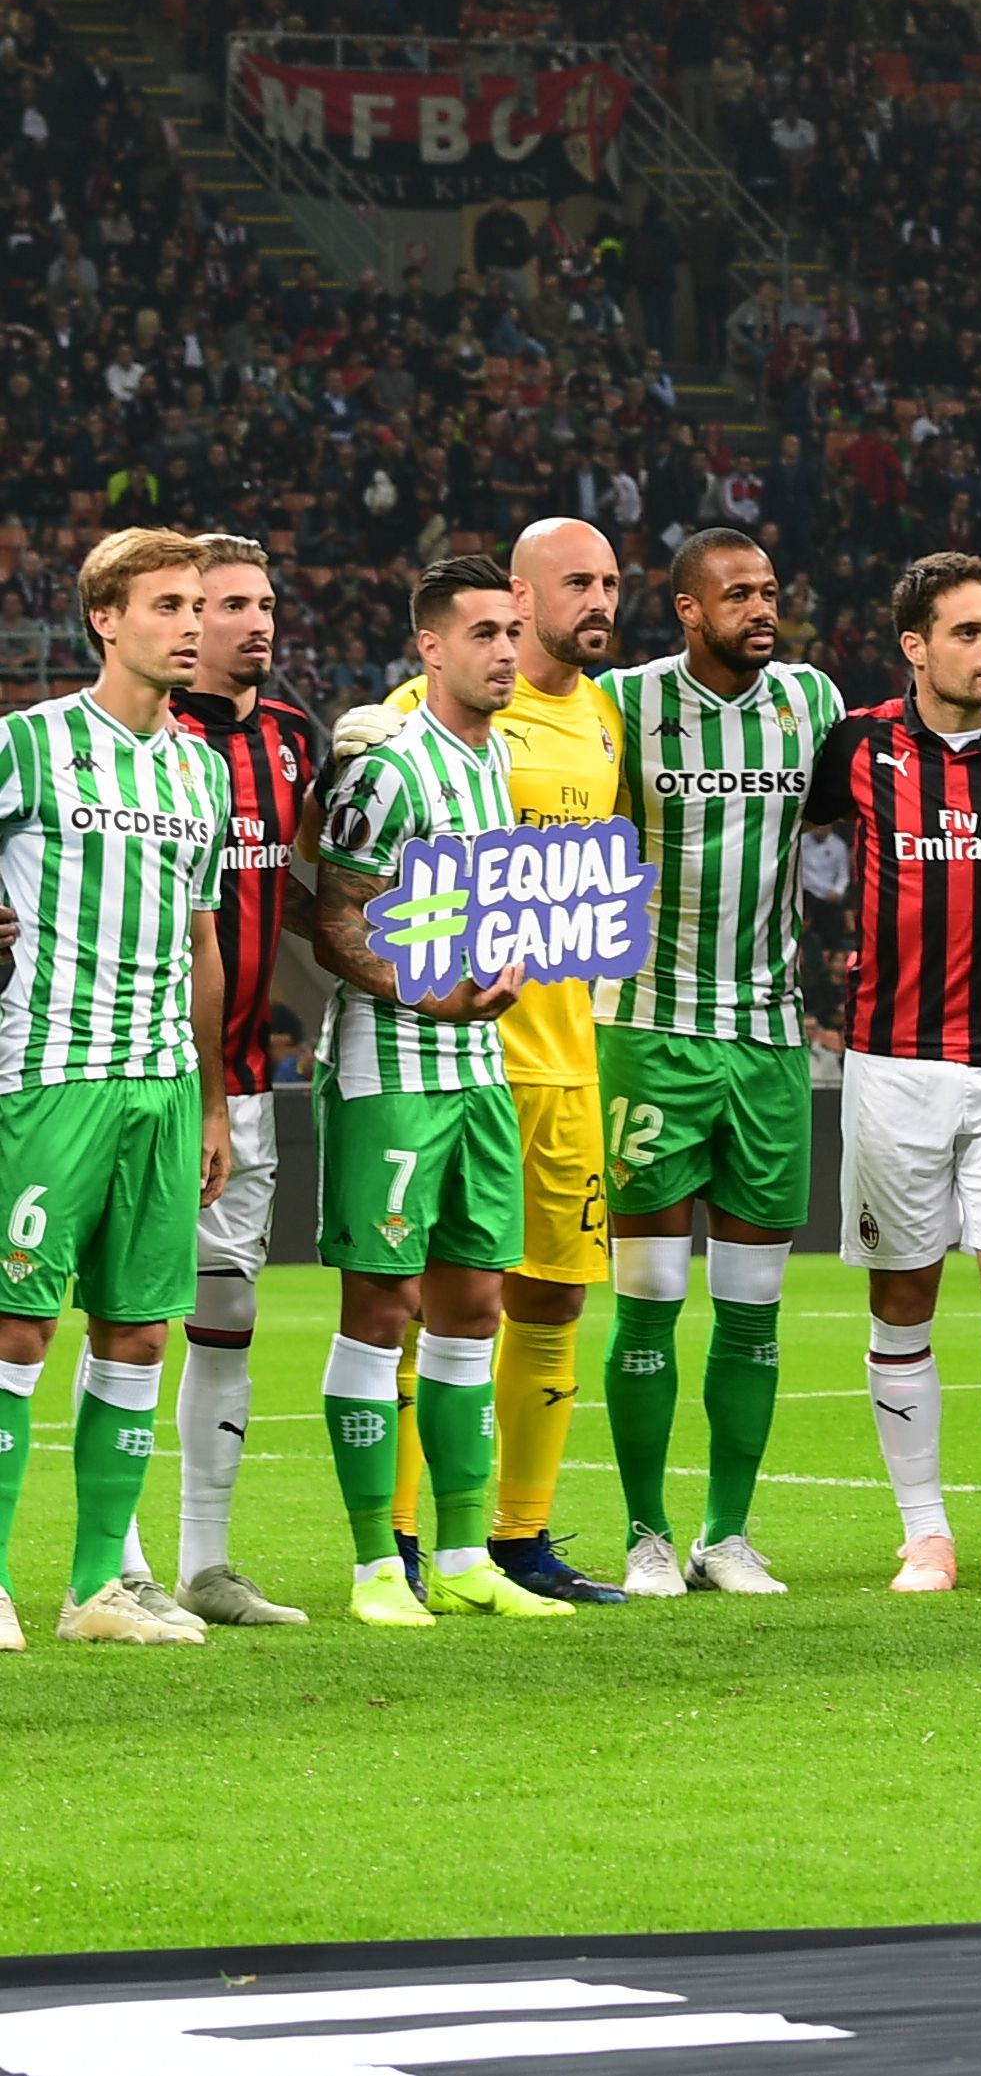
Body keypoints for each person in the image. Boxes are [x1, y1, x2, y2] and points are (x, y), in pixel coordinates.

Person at [803, 553, 981, 1595]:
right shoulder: (859, 749)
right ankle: (924, 1534)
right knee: (904, 1300)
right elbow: (759, 835)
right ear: (915, 645)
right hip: (890, 1069)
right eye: (968, 632)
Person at [306, 554, 575, 1628]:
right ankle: (378, 1564)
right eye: (482, 635)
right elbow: (337, 919)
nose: (506, 651)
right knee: (386, 1307)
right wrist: (433, 998)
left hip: (482, 1074)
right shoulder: (390, 766)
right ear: (430, 647)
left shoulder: (493, 762)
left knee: (475, 1309)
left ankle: (465, 1555)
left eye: (513, 632)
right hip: (394, 1075)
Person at [381, 517, 628, 1607]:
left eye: (612, 581)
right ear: (519, 602)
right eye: (579, 581)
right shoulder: (431, 715)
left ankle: (520, 1539)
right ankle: (396, 1538)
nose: (601, 600)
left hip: (567, 1061)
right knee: (428, 1304)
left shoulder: (606, 720)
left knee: (553, 1304)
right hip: (460, 1060)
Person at [598, 529, 847, 1596]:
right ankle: (647, 1532)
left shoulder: (814, 703)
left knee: (753, 1302)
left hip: (767, 1039)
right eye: (736, 594)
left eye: (770, 591)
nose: (761, 607)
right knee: (648, 1293)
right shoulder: (623, 703)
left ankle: (727, 1533)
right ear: (686, 610)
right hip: (648, 1031)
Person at [0, 531, 235, 1647]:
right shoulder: (29, 745)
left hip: (162, 1083)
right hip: (51, 1073)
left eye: (200, 606)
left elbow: (203, 943)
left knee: (139, 1333)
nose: (193, 625)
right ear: (105, 617)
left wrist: (217, 1098)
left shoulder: (203, 767)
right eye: (169, 605)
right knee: (15, 1330)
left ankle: (99, 1588)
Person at [157, 533, 323, 1627]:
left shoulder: (297, 742)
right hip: (127, 1070)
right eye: (231, 606)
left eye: (266, 603)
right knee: (100, 1315)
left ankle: (204, 1564)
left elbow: (313, 895)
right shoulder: (135, 742)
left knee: (227, 1313)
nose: (257, 622)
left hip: (248, 1081)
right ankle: (108, 1559)